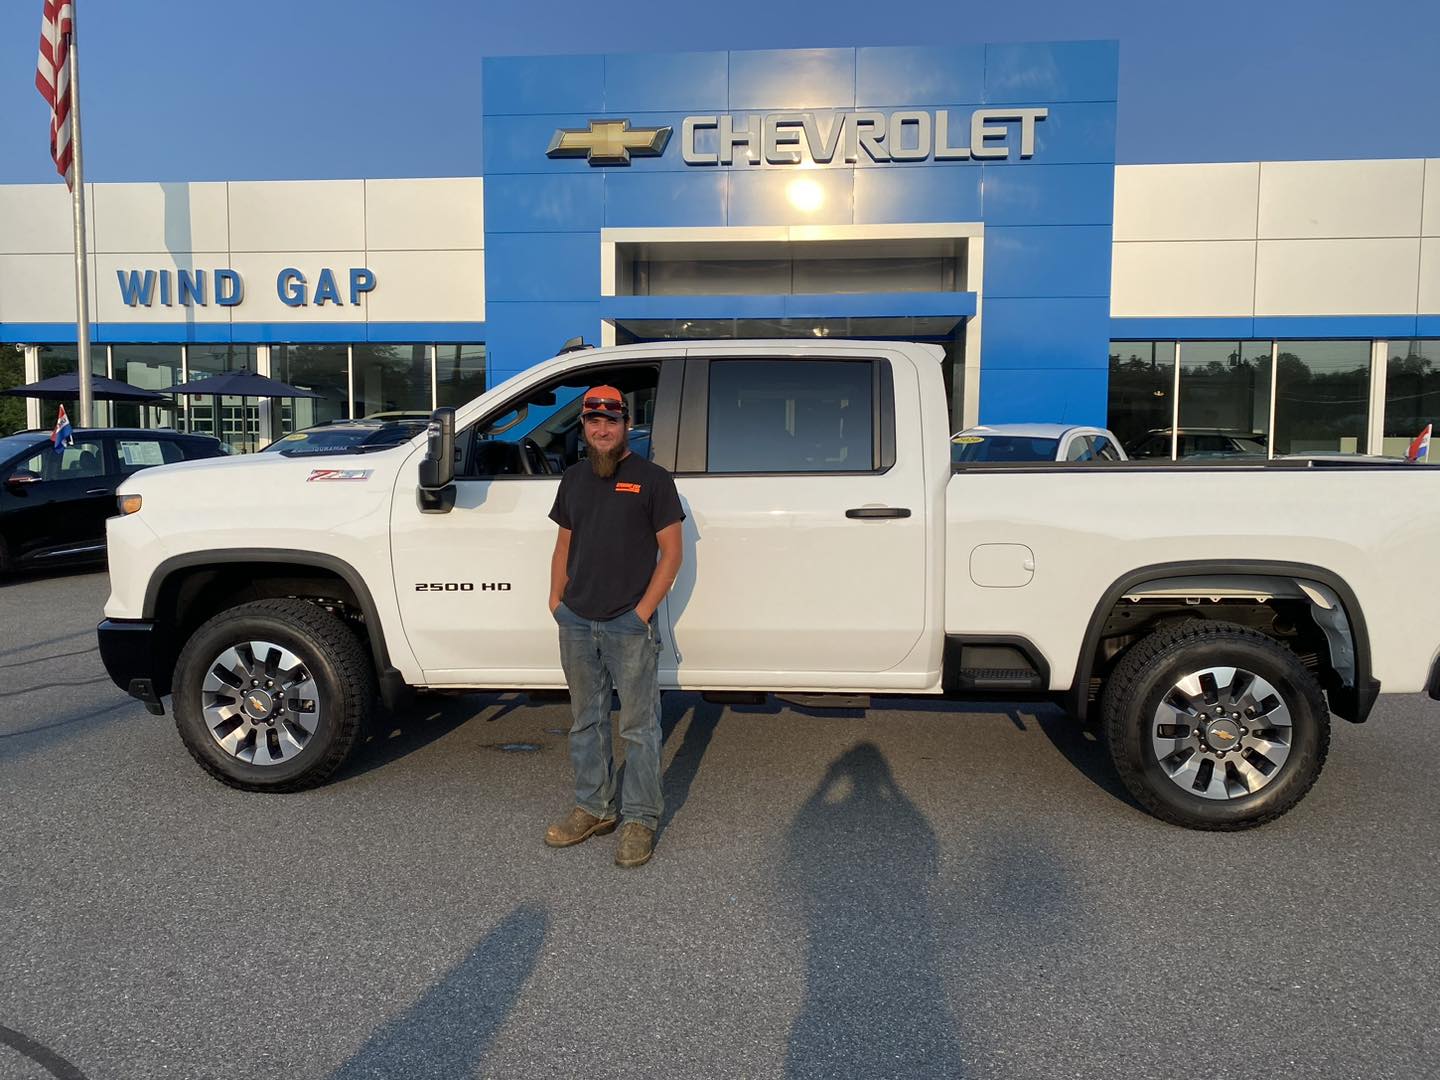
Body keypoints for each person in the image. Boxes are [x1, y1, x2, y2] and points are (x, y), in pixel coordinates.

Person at [544, 384, 685, 868]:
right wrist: (557, 601)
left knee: (639, 728)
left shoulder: (653, 480)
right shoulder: (573, 479)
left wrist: (640, 613)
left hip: (628, 623)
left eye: (611, 421)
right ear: (584, 427)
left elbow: (672, 554)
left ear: (626, 424)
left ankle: (640, 819)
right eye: (593, 421)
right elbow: (564, 544)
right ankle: (594, 808)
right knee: (585, 721)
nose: (602, 430)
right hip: (577, 621)